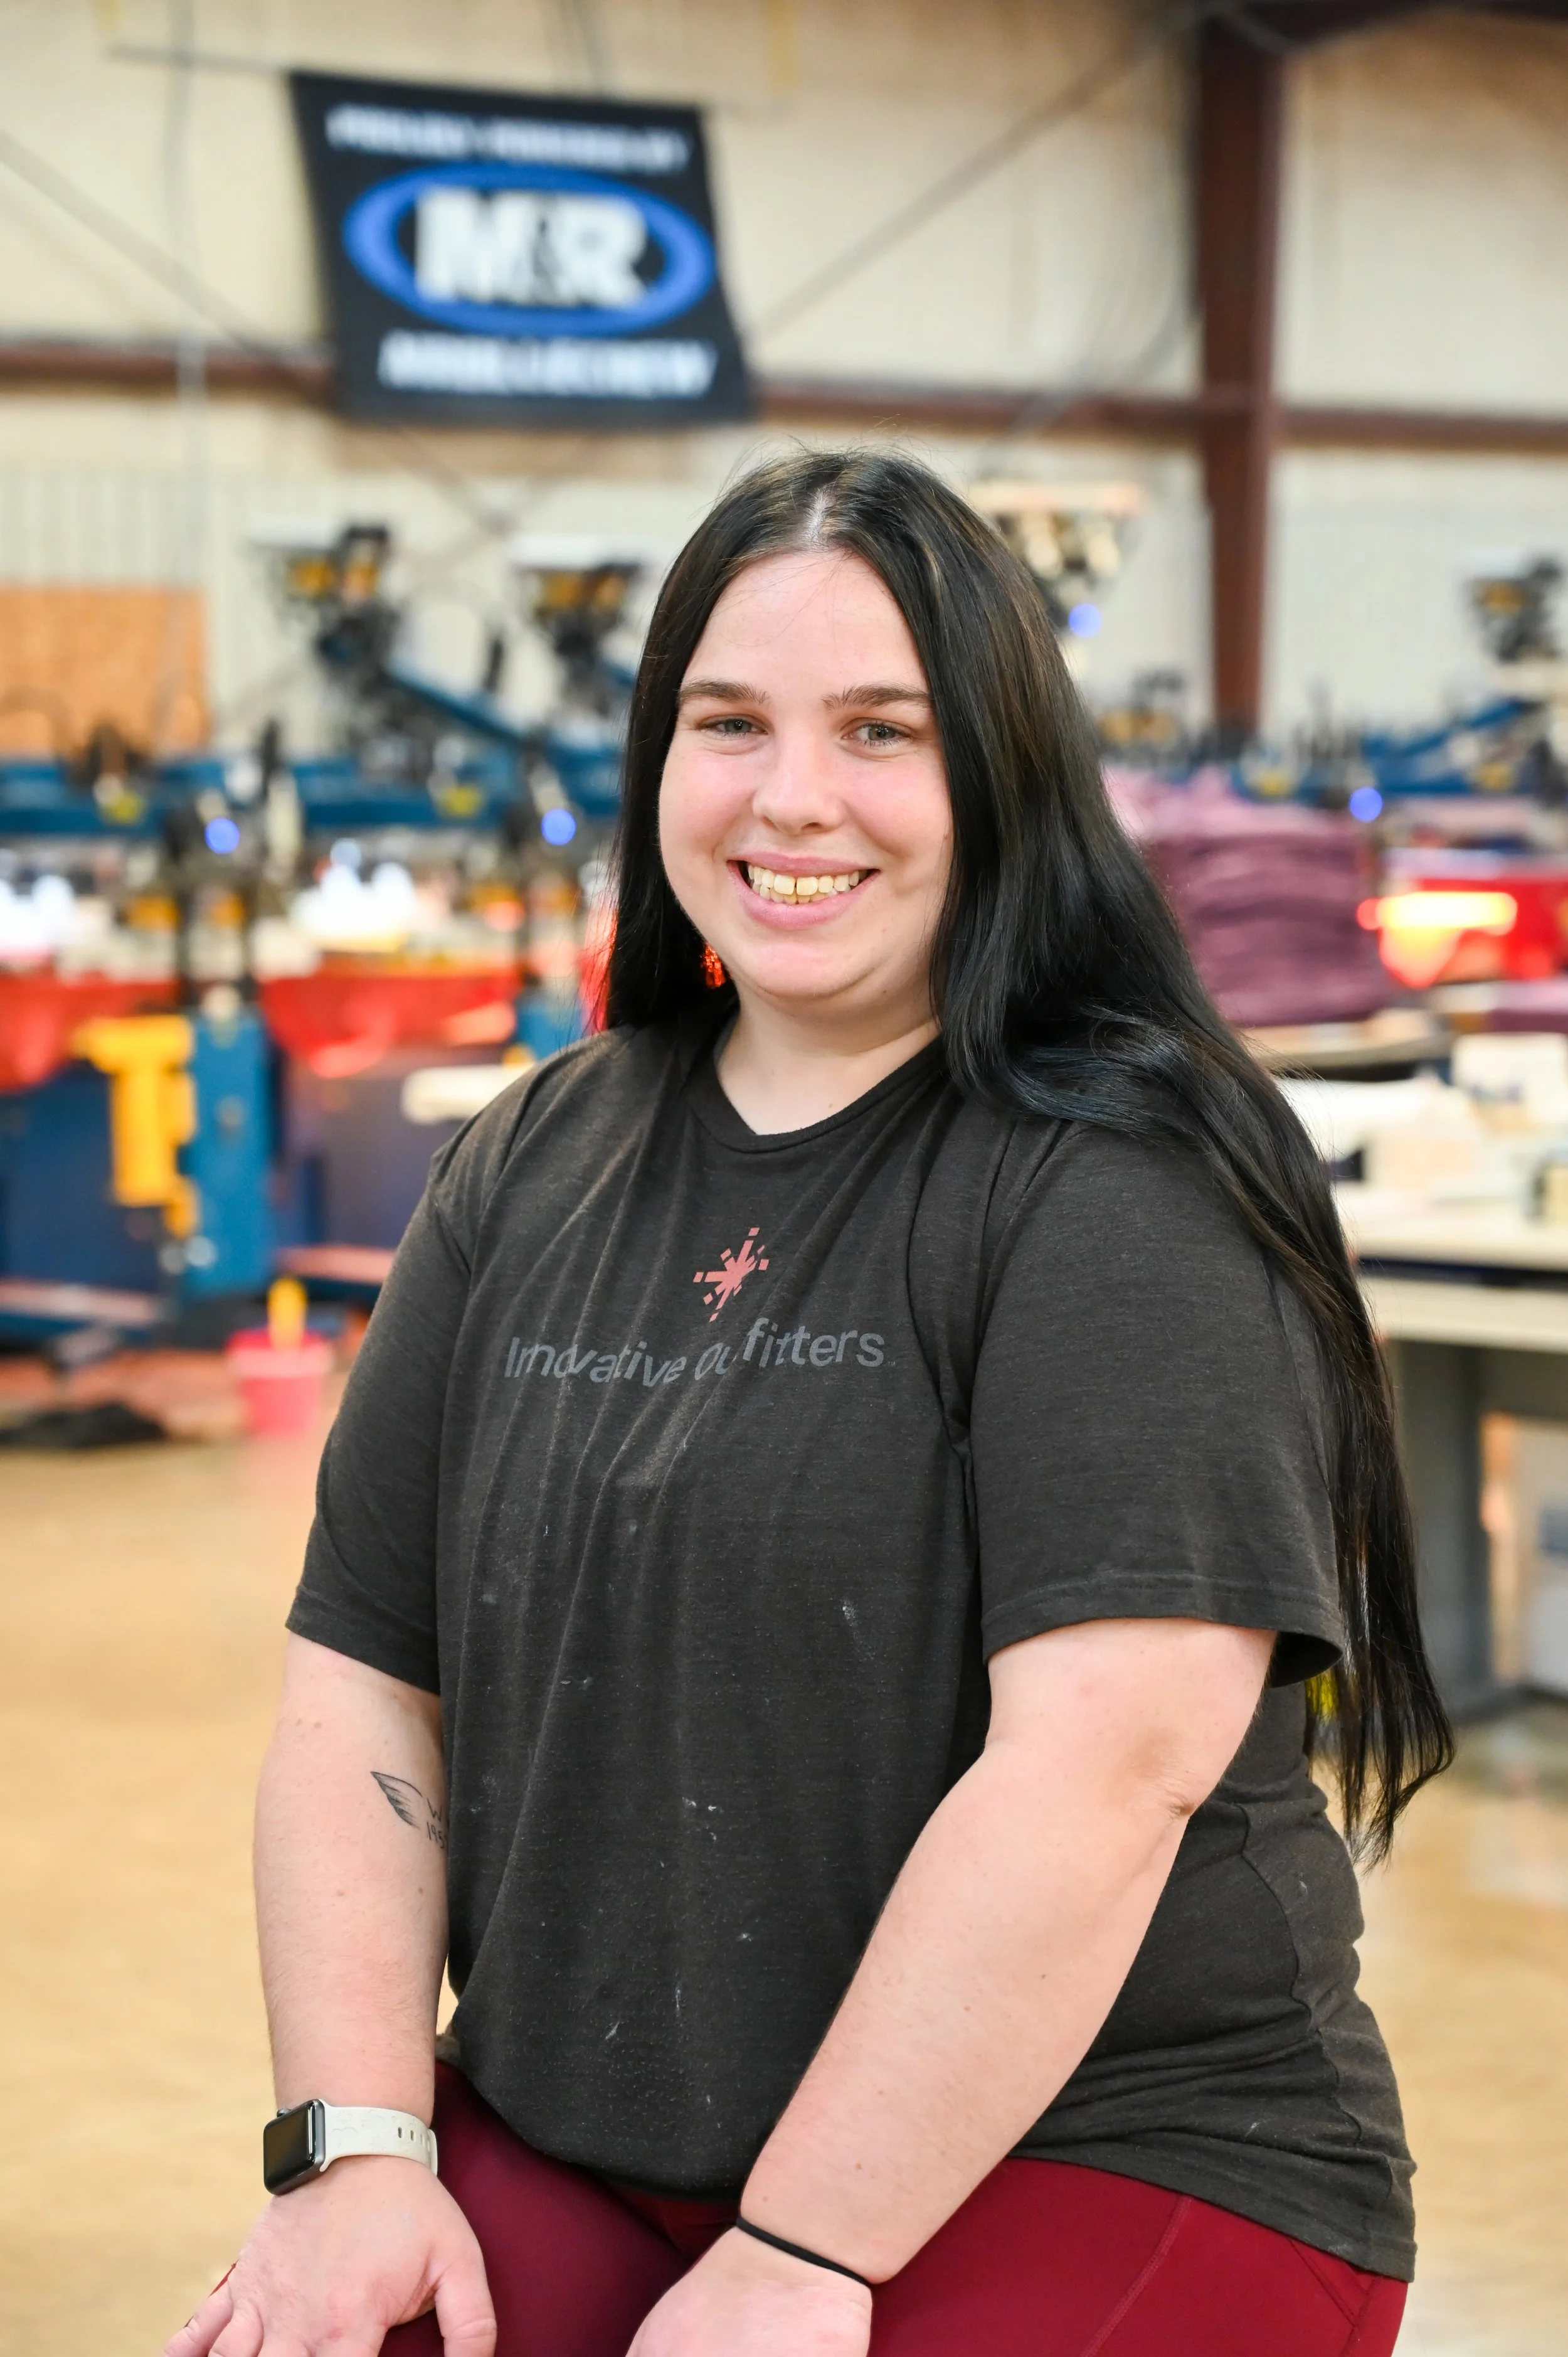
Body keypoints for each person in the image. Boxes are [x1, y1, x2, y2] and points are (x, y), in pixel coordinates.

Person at [171, 450, 1451, 2357]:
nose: (793, 797)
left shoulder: (1124, 1183)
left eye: (880, 730)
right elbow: (364, 1683)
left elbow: (1099, 1770)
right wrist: (358, 2151)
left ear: (1001, 775)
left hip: (1109, 2141)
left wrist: (804, 2251)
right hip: (591, 2125)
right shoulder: (529, 1159)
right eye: (727, 722)